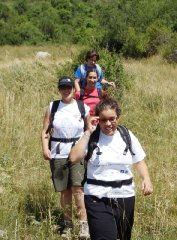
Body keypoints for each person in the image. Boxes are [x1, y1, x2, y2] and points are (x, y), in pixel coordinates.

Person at [69, 96, 153, 240]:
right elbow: (73, 158)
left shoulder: (127, 135)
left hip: (125, 196)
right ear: (97, 119)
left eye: (112, 118)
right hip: (97, 197)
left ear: (118, 117)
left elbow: (139, 161)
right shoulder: (92, 137)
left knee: (123, 236)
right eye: (103, 119)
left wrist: (146, 178)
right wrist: (88, 132)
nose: (108, 123)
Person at [41, 76, 90, 239]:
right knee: (64, 191)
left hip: (77, 152)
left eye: (69, 87)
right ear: (59, 89)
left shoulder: (82, 107)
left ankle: (84, 224)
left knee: (78, 188)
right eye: (63, 87)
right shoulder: (53, 106)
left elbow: (89, 129)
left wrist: (87, 148)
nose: (66, 90)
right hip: (58, 152)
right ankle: (67, 224)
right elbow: (44, 132)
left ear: (74, 89)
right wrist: (45, 148)